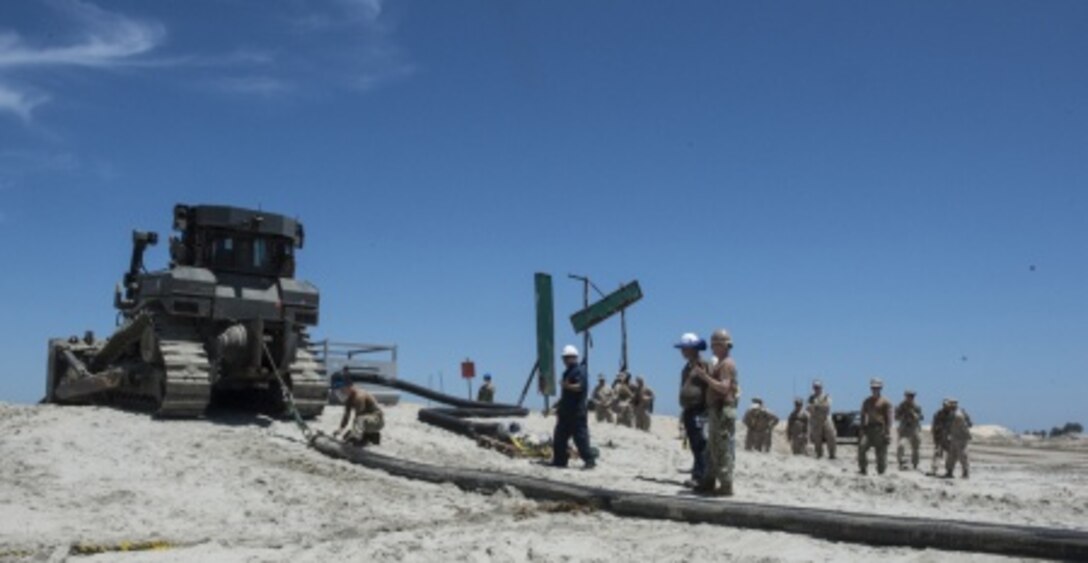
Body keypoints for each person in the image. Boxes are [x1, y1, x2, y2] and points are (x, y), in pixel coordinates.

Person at [693, 329, 738, 496]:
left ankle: (726, 485)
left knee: (722, 449)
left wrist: (705, 377)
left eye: (714, 344)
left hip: (722, 410)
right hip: (716, 409)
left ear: (722, 345)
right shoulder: (721, 363)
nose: (712, 348)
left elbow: (724, 387)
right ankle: (709, 481)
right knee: (712, 447)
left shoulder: (726, 364)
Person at [548, 345, 595, 469]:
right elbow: (565, 394)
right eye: (564, 358)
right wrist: (555, 406)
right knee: (559, 437)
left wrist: (567, 386)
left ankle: (589, 461)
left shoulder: (580, 370)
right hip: (565, 412)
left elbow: (580, 387)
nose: (565, 360)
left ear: (574, 357)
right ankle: (560, 461)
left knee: (580, 438)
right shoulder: (567, 372)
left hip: (576, 412)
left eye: (567, 357)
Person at [676, 332, 711, 487]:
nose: (682, 351)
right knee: (694, 443)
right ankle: (697, 473)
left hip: (700, 410)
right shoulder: (687, 368)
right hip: (689, 410)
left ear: (693, 349)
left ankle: (701, 476)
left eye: (685, 348)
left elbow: (710, 385)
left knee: (700, 444)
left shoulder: (703, 366)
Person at [858, 378, 894, 475]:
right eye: (873, 388)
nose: (875, 390)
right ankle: (863, 469)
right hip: (869, 429)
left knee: (881, 453)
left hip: (880, 430)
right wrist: (862, 429)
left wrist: (887, 432)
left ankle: (881, 471)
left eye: (877, 388)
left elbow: (889, 418)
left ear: (880, 389)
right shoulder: (867, 401)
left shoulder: (886, 402)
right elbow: (862, 415)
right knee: (862, 447)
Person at [336, 381, 384, 446]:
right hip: (366, 420)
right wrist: (340, 429)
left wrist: (353, 434)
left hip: (377, 421)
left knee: (359, 422)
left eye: (343, 389)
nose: (341, 391)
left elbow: (359, 417)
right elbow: (346, 415)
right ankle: (369, 436)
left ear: (349, 387)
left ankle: (368, 435)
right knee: (346, 436)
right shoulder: (349, 398)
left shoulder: (359, 396)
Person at [894, 389, 924, 470]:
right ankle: (901, 462)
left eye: (912, 396)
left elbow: (921, 417)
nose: (910, 398)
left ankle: (915, 464)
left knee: (916, 448)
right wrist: (903, 416)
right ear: (905, 396)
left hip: (914, 429)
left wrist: (915, 415)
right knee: (901, 445)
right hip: (904, 429)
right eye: (909, 396)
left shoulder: (917, 406)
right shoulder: (901, 406)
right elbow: (896, 417)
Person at [807, 379, 837, 459]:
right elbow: (809, 408)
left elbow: (827, 407)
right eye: (815, 387)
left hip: (826, 418)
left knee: (831, 436)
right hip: (816, 420)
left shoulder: (826, 396)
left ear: (821, 387)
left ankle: (832, 454)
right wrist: (817, 407)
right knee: (817, 438)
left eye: (818, 387)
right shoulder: (811, 398)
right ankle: (819, 454)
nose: (816, 389)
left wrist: (816, 407)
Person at [944, 398, 972, 479]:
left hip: (960, 438)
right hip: (954, 437)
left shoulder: (958, 414)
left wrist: (966, 435)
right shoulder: (952, 413)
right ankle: (949, 471)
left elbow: (966, 426)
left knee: (962, 455)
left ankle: (965, 473)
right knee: (951, 456)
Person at [930, 398, 952, 475]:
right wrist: (934, 436)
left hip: (949, 438)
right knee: (937, 453)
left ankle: (949, 471)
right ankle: (934, 469)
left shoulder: (953, 414)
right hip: (940, 437)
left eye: (947, 405)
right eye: (944, 405)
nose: (946, 406)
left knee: (950, 455)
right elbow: (934, 426)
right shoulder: (938, 414)